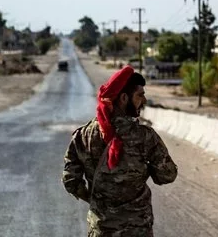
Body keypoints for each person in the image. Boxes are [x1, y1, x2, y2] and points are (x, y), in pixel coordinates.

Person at [62, 65, 178, 236]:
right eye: (140, 95)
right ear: (124, 98)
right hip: (138, 229)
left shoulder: (83, 135)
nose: (144, 101)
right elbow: (168, 175)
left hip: (101, 229)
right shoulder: (145, 137)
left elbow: (70, 180)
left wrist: (97, 201)